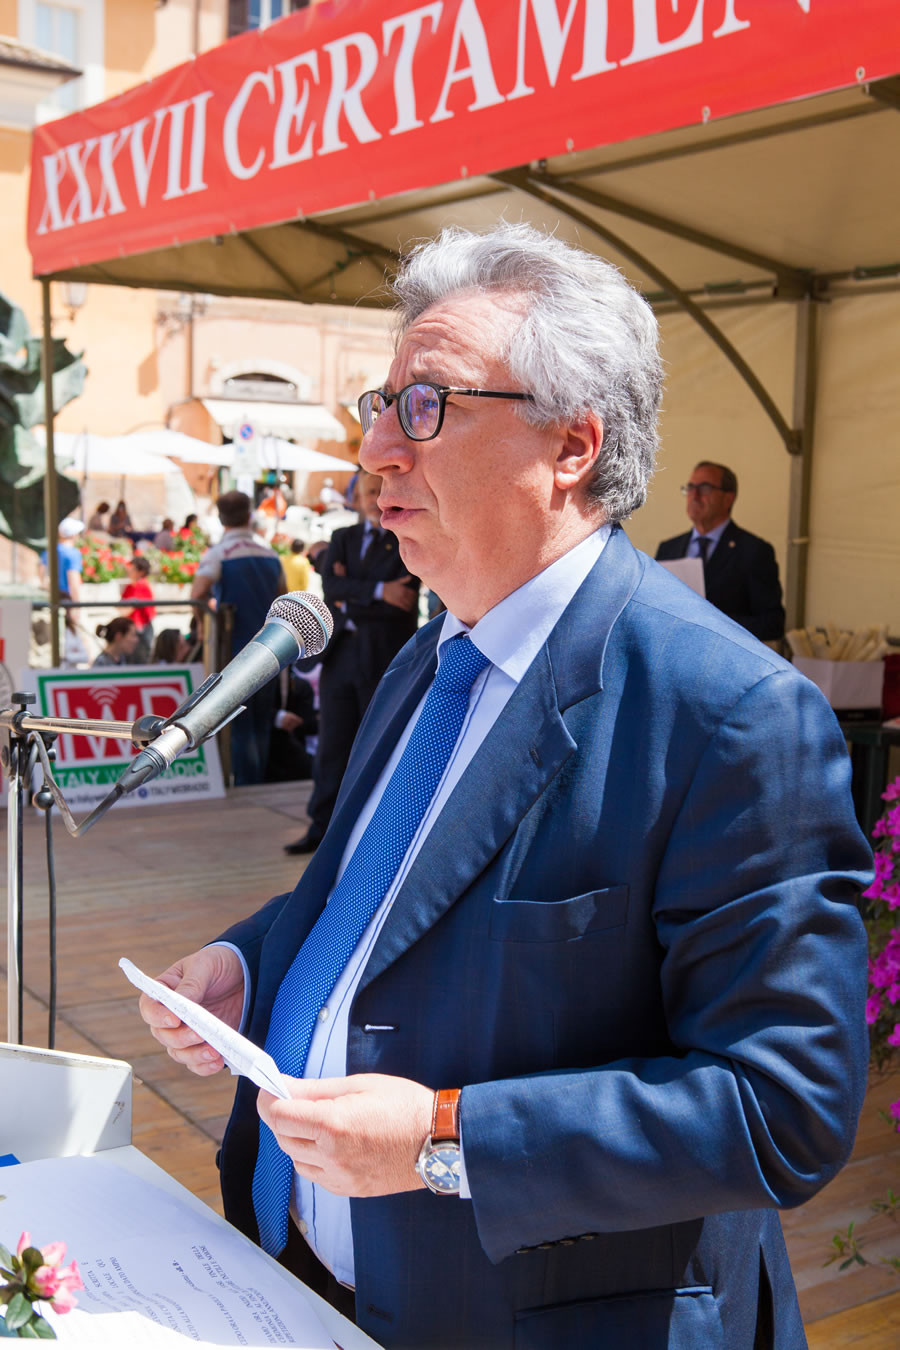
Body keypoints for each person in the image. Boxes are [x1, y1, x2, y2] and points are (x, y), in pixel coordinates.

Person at [137, 224, 869, 1350]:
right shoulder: (432, 657)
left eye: (425, 405)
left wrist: (446, 1139)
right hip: (308, 1288)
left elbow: (782, 1106)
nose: (376, 448)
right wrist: (252, 962)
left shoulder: (731, 712)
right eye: (380, 405)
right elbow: (382, 903)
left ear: (571, 445)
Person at [285, 469, 419, 853]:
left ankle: (372, 837)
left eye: (379, 489)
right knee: (333, 746)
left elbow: (402, 599)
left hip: (385, 659)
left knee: (379, 747)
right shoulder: (342, 538)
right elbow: (332, 589)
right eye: (367, 491)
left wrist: (351, 594)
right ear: (356, 498)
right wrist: (378, 590)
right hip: (342, 656)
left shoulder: (406, 538)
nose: (374, 497)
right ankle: (320, 830)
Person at [190, 490, 285, 786]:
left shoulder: (219, 553)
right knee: (262, 724)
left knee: (237, 724)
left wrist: (205, 622)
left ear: (221, 518)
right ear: (249, 515)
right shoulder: (270, 553)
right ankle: (257, 783)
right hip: (271, 649)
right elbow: (283, 596)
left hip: (233, 650)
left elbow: (198, 593)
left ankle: (243, 784)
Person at [655, 461, 785, 642]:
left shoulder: (754, 551)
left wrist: (713, 621)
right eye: (690, 487)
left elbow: (773, 624)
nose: (695, 495)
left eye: (705, 488)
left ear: (728, 498)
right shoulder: (668, 549)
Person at [120, 555, 156, 664]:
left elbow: (126, 609)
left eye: (133, 568)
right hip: (132, 630)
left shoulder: (142, 585)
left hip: (141, 631)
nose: (129, 570)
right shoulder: (130, 586)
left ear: (141, 572)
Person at [38, 517, 84, 602]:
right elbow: (73, 580)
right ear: (74, 535)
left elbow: (41, 572)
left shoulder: (49, 551)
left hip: (52, 596)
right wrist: (76, 603)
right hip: (66, 598)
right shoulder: (73, 553)